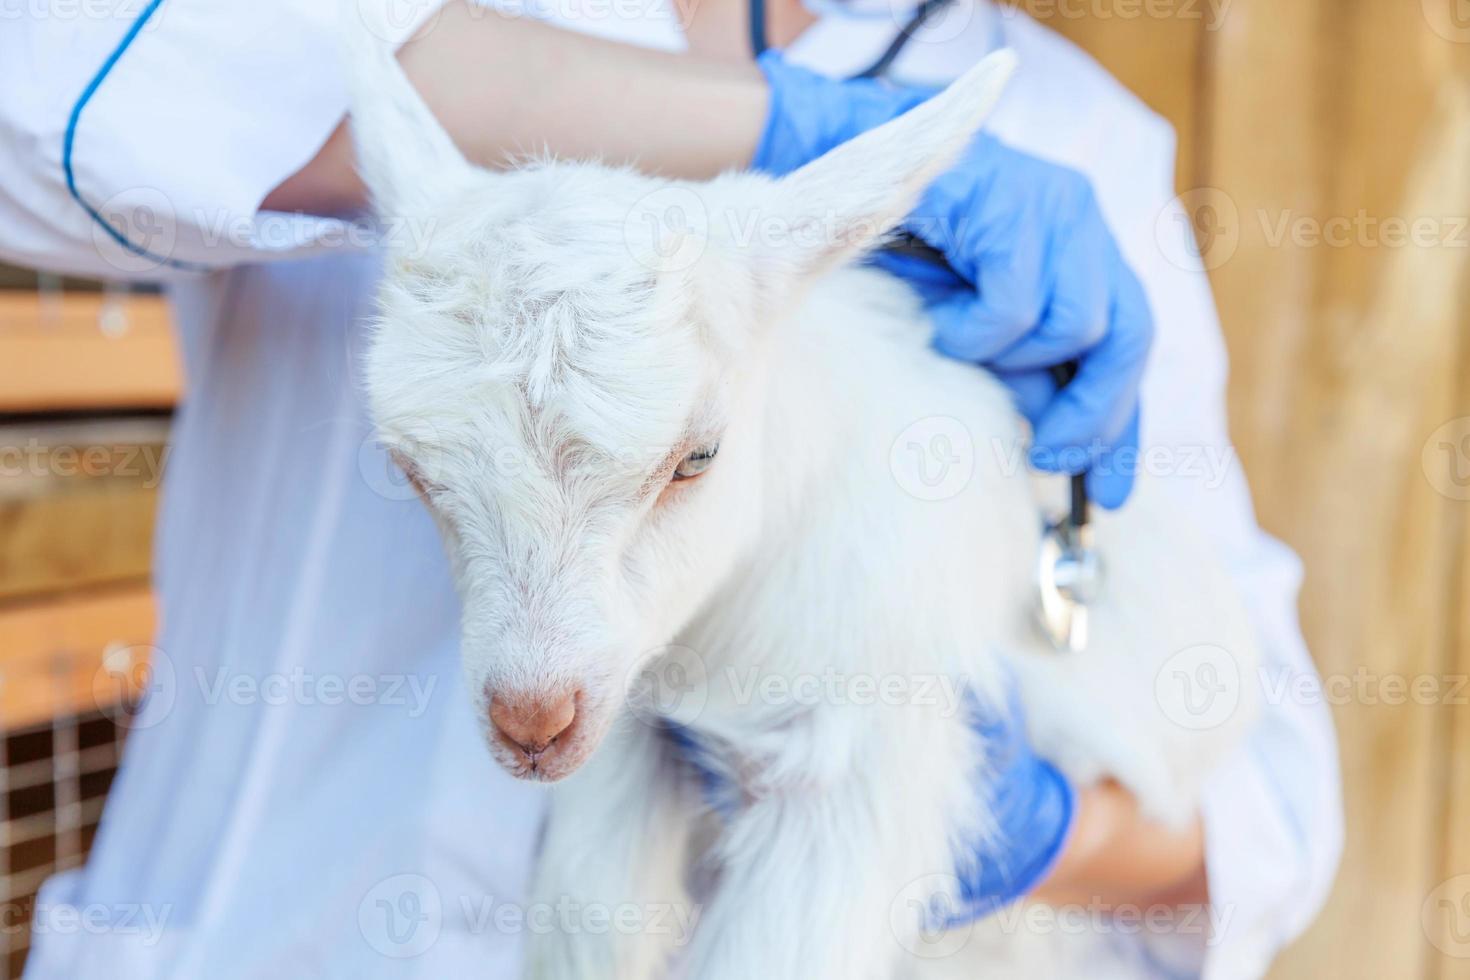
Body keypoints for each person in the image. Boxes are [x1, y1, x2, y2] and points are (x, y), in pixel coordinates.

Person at [0, 0, 1342, 977]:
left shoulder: (1070, 135)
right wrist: (773, 127)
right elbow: (50, 79)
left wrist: (1020, 824)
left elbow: (1264, 809)